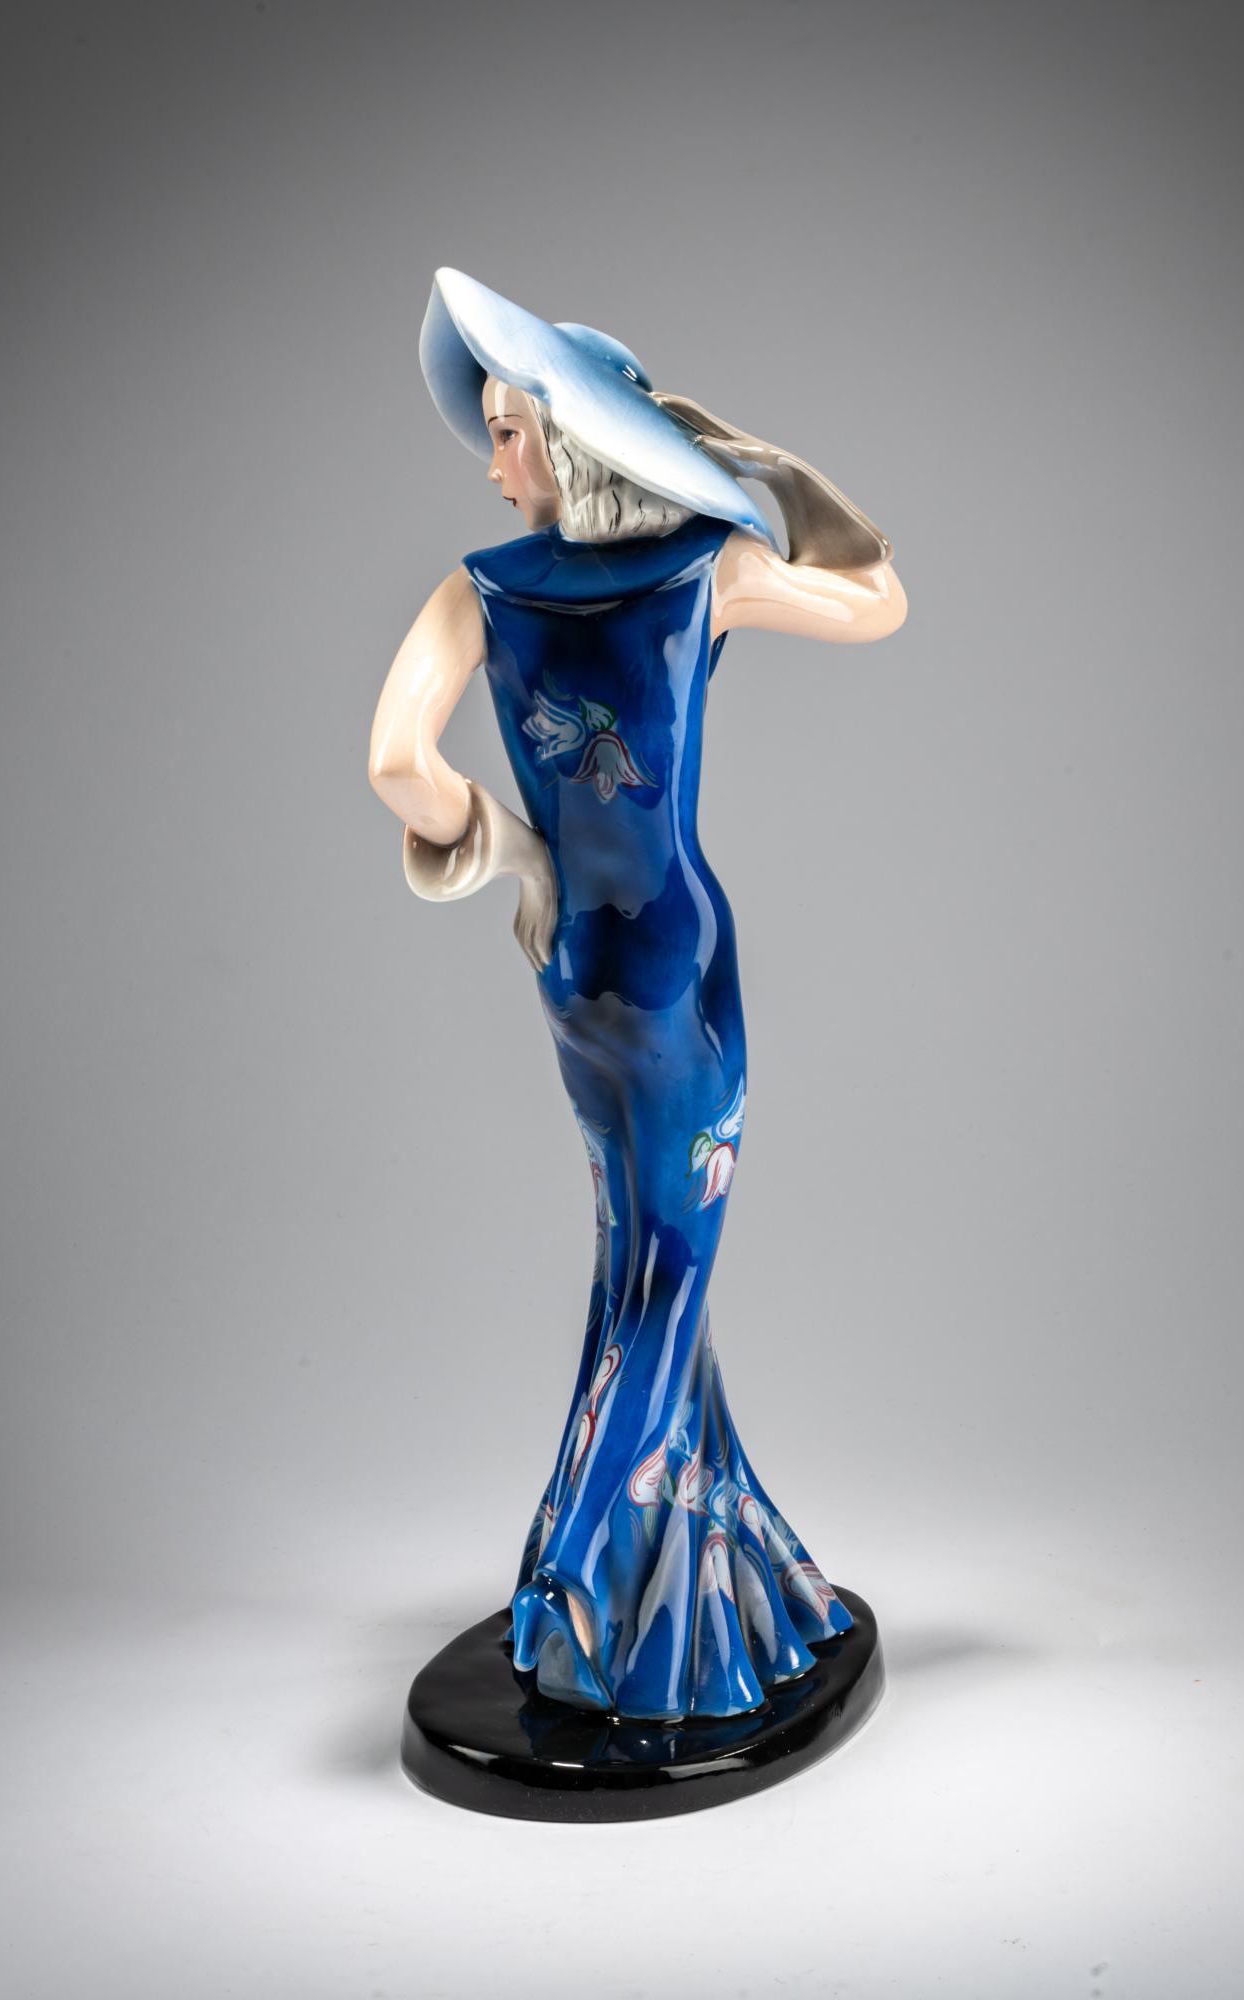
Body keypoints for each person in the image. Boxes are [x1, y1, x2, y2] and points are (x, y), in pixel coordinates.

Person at [369, 270, 906, 1721]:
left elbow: (396, 765)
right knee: (668, 1280)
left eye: (507, 431)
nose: (491, 463)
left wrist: (510, 846)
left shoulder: (474, 592)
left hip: (572, 970)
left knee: (637, 1261)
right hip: (678, 961)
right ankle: (576, 1583)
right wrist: (754, 465)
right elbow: (881, 597)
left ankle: (694, 1589)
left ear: (570, 440)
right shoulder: (709, 571)